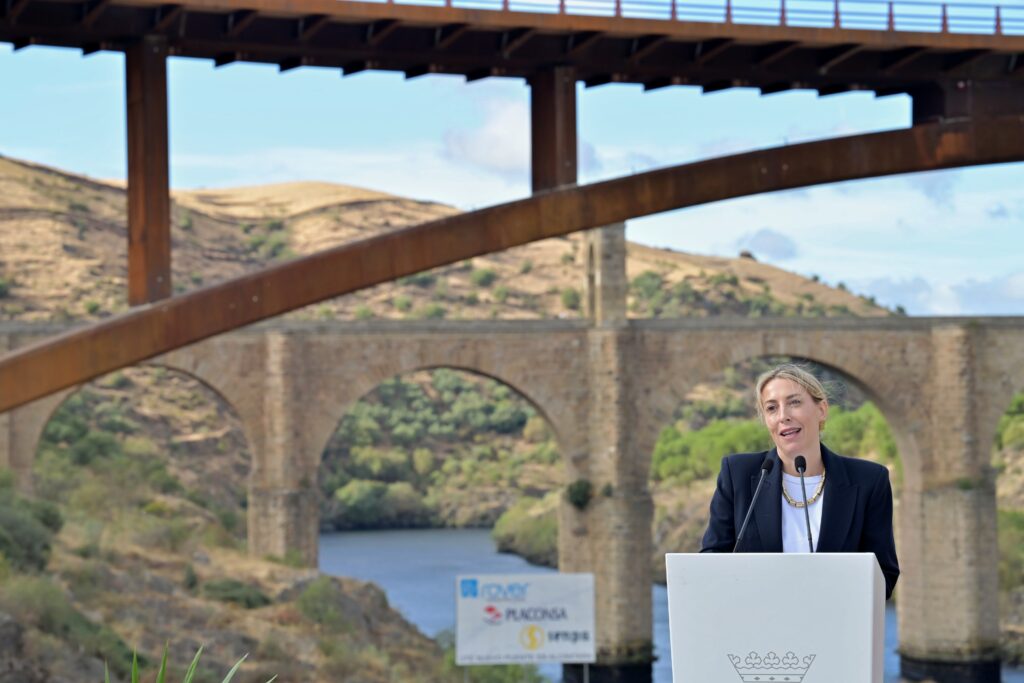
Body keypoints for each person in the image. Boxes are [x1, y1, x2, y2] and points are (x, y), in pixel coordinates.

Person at [700, 363, 900, 599]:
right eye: (771, 408)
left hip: (832, 619)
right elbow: (711, 562)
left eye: (794, 402)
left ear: (821, 410)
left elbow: (883, 575)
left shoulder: (869, 481)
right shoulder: (737, 475)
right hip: (755, 618)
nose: (783, 416)